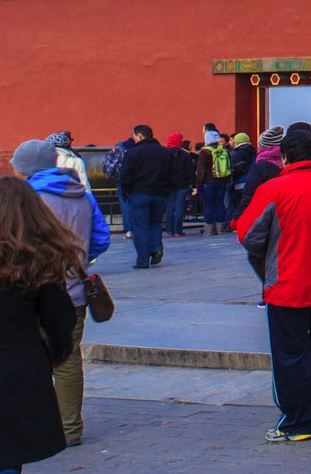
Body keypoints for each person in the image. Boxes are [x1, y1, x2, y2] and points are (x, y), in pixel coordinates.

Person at [234, 123, 311, 444]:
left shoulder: (273, 190)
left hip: (287, 284)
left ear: (286, 157)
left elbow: (249, 235)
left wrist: (271, 252)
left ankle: (296, 423)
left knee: (290, 353)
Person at [12, 136, 111, 449]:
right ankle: (70, 429)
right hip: (74, 291)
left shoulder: (27, 196)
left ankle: (35, 423)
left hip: (31, 289)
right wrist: (80, 260)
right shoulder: (82, 194)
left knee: (28, 356)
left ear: (25, 168)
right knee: (68, 358)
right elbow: (101, 238)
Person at [0, 176, 78, 473]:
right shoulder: (38, 258)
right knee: (5, 453)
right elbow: (60, 319)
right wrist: (56, 350)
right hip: (15, 363)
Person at [119, 123, 171, 268]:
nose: (133, 139)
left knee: (140, 227)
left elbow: (126, 176)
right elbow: (170, 174)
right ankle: (156, 248)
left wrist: (126, 191)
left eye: (134, 136)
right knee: (155, 223)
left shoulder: (132, 153)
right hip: (160, 194)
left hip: (139, 193)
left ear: (140, 136)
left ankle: (142, 260)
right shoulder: (165, 152)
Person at [236, 125, 284, 213]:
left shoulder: (260, 166)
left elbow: (249, 194)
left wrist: (236, 216)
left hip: (264, 211)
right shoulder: (287, 162)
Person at [196, 127, 233, 234]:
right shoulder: (224, 150)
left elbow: (201, 170)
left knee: (209, 205)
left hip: (209, 181)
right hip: (222, 181)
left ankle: (210, 229)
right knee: (220, 204)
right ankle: (220, 227)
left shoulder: (205, 151)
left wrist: (199, 185)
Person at [165, 133, 196, 236]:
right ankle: (178, 230)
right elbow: (190, 170)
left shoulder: (164, 153)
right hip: (182, 183)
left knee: (169, 207)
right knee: (179, 207)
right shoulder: (185, 154)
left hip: (168, 184)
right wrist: (193, 183)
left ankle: (169, 230)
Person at [46, 130, 93, 196]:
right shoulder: (76, 160)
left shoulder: (44, 160)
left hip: (48, 198)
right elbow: (84, 185)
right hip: (72, 197)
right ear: (67, 144)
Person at [227, 132, 256, 219]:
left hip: (240, 181)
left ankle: (239, 221)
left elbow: (238, 169)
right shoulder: (253, 151)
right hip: (252, 180)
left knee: (239, 203)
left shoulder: (237, 153)